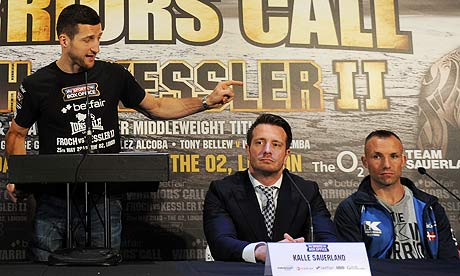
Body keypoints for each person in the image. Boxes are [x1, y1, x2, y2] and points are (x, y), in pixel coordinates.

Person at [4, 4, 242, 262]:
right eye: (88, 40)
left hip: (105, 198)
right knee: (44, 266)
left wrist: (206, 102)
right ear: (64, 40)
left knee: (105, 266)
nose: (96, 47)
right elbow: (17, 133)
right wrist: (20, 179)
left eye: (98, 38)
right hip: (53, 200)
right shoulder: (36, 84)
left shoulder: (113, 75)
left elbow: (157, 107)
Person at [203, 113, 336, 262]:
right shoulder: (222, 190)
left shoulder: (307, 192)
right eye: (259, 142)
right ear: (248, 150)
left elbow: (328, 239)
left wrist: (303, 250)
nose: (267, 150)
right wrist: (260, 251)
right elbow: (220, 242)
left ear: (286, 154)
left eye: (276, 144)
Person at [334, 130, 459, 259]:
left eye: (394, 156)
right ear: (365, 162)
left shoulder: (430, 207)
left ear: (403, 160)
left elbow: (449, 262)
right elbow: (353, 266)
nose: (386, 165)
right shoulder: (351, 209)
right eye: (377, 156)